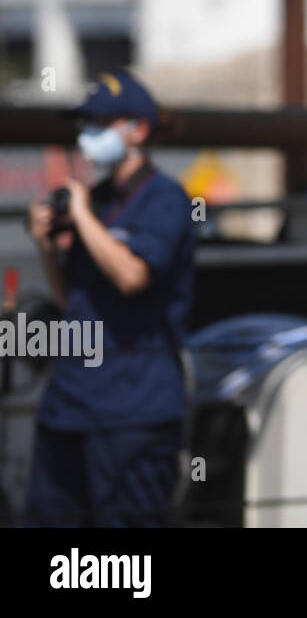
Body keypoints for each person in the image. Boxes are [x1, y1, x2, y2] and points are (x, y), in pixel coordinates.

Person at [23, 69, 196, 527]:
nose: (88, 135)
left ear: (138, 130)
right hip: (70, 404)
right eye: (86, 124)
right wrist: (46, 244)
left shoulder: (165, 199)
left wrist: (81, 217)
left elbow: (132, 275)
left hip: (132, 411)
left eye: (101, 122)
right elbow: (71, 296)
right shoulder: (96, 199)